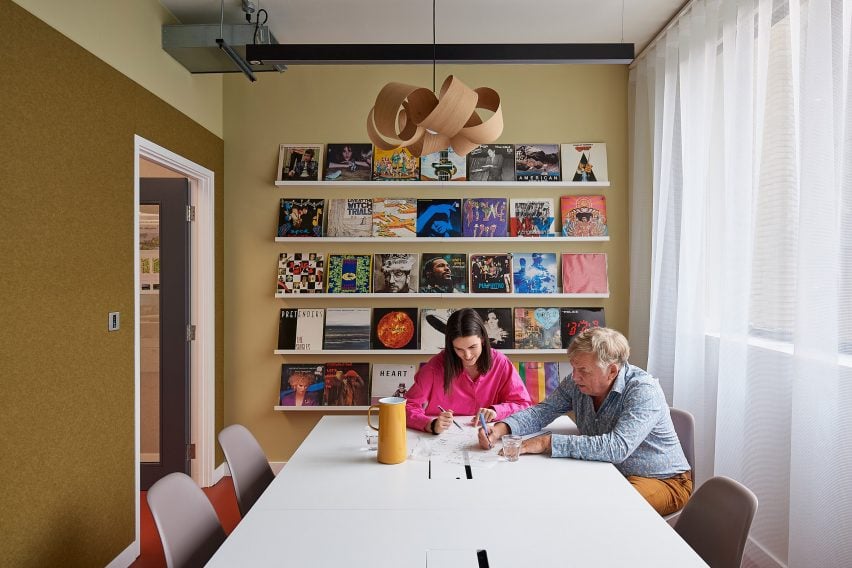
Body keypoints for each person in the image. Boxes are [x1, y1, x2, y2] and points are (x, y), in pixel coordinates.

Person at [477, 327, 691, 515]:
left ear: (612, 371)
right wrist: (501, 428)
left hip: (661, 480)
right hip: (607, 470)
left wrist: (546, 443)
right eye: (573, 368)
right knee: (553, 494)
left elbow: (617, 448)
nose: (575, 376)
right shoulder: (576, 382)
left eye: (583, 371)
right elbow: (543, 411)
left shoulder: (643, 390)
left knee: (598, 509)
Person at [405, 308, 532, 433]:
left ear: (482, 339)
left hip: (489, 434)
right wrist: (430, 424)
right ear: (451, 345)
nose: (467, 355)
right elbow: (407, 406)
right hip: (443, 438)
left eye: (472, 347)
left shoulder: (501, 363)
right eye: (459, 349)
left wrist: (496, 411)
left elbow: (523, 404)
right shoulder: (435, 366)